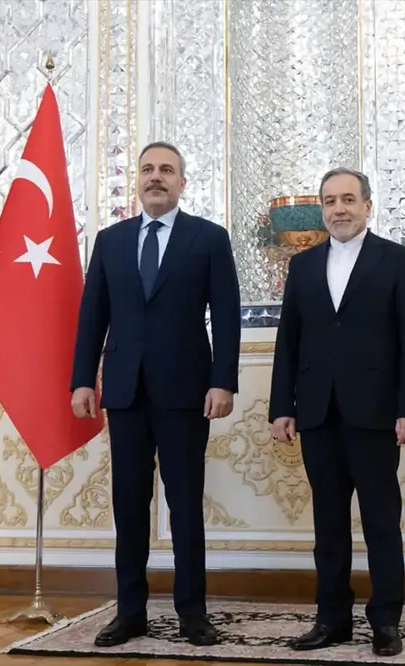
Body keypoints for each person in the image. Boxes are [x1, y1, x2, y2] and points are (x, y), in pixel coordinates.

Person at [70, 141, 241, 648]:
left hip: (187, 392)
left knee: (185, 506)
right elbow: (92, 315)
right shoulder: (111, 241)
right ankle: (130, 613)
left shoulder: (208, 239)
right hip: (125, 392)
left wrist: (223, 380)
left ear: (182, 183)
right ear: (137, 181)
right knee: (129, 506)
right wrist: (82, 379)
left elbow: (226, 316)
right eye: (147, 169)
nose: (156, 177)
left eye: (167, 170)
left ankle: (193, 614)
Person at [268, 167, 405, 657]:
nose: (339, 209)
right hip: (317, 413)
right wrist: (282, 407)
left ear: (367, 206)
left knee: (381, 522)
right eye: (330, 201)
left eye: (348, 200)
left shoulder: (397, 260)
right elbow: (289, 341)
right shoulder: (303, 266)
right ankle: (331, 619)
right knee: (328, 526)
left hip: (376, 413)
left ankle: (386, 621)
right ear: (322, 208)